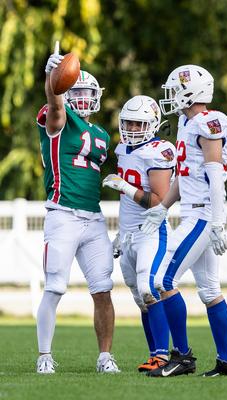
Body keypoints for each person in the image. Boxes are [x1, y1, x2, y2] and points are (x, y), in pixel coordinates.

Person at [141, 64, 227, 377]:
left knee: (162, 281)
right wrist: (161, 208)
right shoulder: (187, 122)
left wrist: (217, 222)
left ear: (191, 90)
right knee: (210, 290)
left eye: (175, 90)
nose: (171, 97)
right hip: (192, 209)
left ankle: (182, 357)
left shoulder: (209, 121)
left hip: (202, 213)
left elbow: (214, 177)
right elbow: (185, 178)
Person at [35, 47, 120, 374]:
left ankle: (105, 357)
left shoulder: (101, 134)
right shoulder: (59, 119)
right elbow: (55, 103)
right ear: (66, 91)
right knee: (55, 287)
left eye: (88, 93)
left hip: (93, 219)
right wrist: (50, 78)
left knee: (103, 289)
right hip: (63, 214)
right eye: (77, 91)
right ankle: (45, 356)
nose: (83, 98)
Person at [102, 95, 177, 372]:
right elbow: (127, 204)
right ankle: (154, 354)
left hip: (151, 232)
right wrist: (122, 232)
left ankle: (165, 356)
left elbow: (160, 199)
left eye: (139, 123)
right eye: (128, 122)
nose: (132, 128)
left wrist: (125, 187)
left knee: (150, 289)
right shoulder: (123, 149)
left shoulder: (159, 150)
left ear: (154, 123)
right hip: (130, 234)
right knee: (139, 298)